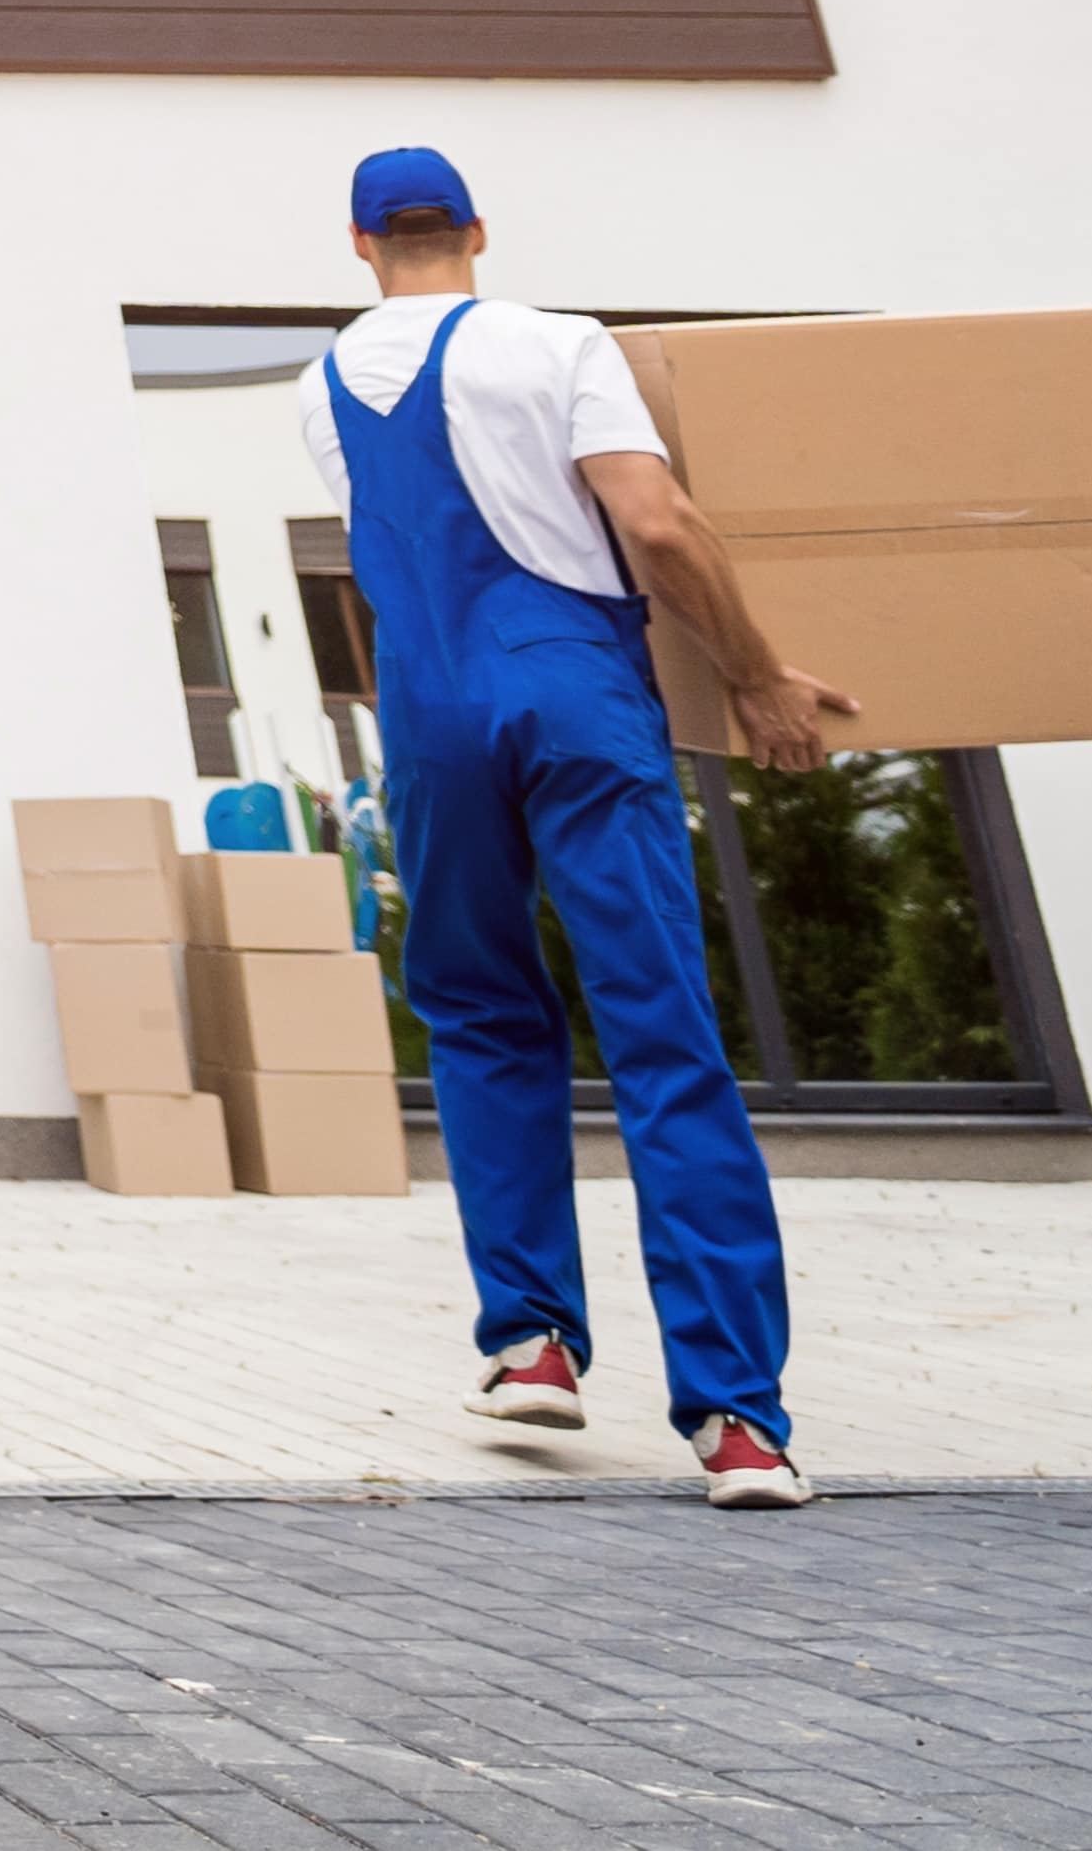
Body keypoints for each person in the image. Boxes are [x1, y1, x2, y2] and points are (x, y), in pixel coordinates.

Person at [303, 146, 857, 1508]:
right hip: (570, 695)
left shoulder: (325, 382)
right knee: (661, 1031)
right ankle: (736, 1425)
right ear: (477, 231)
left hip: (427, 715)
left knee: (484, 1018)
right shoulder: (557, 348)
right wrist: (755, 671)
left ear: (361, 245)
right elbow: (657, 528)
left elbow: (380, 557)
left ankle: (531, 1345)